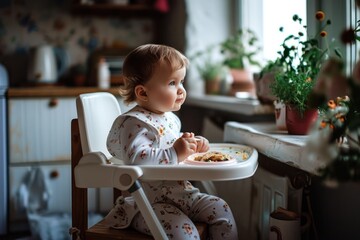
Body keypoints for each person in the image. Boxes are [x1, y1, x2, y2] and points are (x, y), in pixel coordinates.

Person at [105, 44, 238, 239]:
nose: (182, 90)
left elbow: (171, 146)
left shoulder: (168, 118)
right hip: (148, 204)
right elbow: (138, 159)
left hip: (182, 194)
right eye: (172, 83)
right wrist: (176, 152)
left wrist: (193, 147)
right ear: (142, 93)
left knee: (221, 209)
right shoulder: (133, 123)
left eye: (181, 82)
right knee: (185, 234)